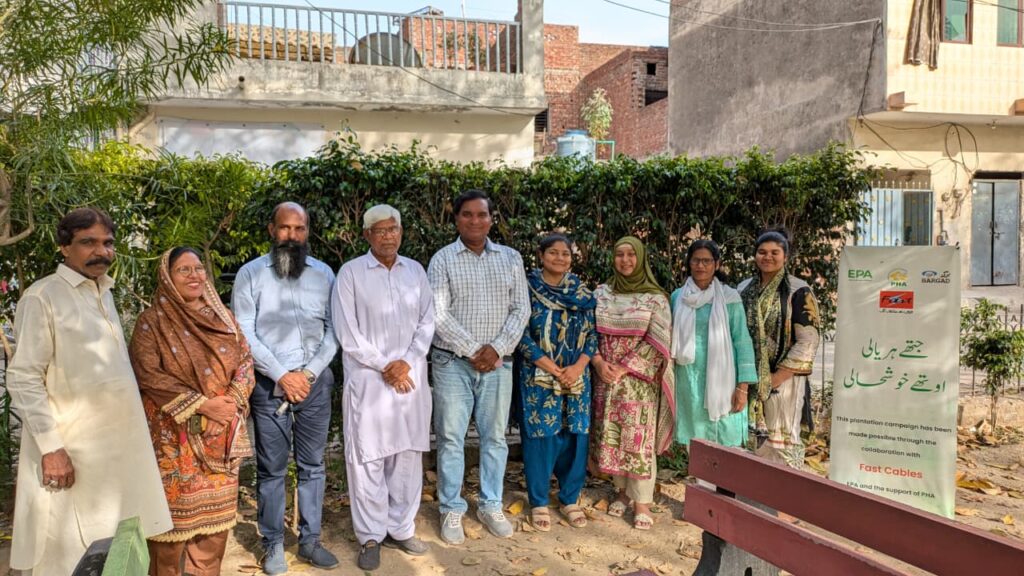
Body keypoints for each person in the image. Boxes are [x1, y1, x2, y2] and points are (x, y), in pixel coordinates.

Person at [6, 208, 172, 575]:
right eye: (88, 243)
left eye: (108, 243)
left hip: (117, 455)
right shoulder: (42, 297)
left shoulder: (104, 291)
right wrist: (52, 449)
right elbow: (23, 377)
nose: (102, 251)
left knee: (116, 549)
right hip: (72, 454)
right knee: (67, 553)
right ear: (64, 247)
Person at [130, 247, 255, 576]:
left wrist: (227, 407)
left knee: (213, 540)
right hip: (174, 443)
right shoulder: (151, 323)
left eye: (198, 268)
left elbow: (245, 365)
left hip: (221, 438)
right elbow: (149, 375)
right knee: (168, 541)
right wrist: (203, 407)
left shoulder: (224, 318)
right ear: (167, 278)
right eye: (183, 270)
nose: (194, 275)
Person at [231, 202, 340, 574]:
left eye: (299, 229)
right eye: (285, 228)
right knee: (271, 469)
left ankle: (310, 541)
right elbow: (244, 334)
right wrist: (282, 375)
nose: (292, 236)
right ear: (270, 230)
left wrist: (306, 375)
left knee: (312, 465)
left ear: (307, 232)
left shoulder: (324, 274)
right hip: (268, 384)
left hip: (314, 382)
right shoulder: (250, 275)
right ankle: (273, 543)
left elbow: (334, 333)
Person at [332, 205, 434, 571]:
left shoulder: (416, 271)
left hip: (410, 379)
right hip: (369, 381)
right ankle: (371, 535)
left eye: (394, 229)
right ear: (366, 236)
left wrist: (407, 360)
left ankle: (401, 527)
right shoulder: (351, 274)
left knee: (407, 455)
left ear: (401, 232)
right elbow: (348, 333)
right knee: (368, 458)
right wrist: (384, 365)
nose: (388, 235)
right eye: (380, 230)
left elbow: (427, 322)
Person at [428, 189, 530, 544]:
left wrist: (497, 349)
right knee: (452, 439)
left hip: (499, 364)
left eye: (481, 214)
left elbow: (521, 309)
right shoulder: (442, 260)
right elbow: (438, 314)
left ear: (491, 219)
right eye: (467, 215)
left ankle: (490, 503)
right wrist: (475, 350)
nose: (475, 221)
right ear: (456, 219)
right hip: (452, 363)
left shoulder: (510, 258)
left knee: (495, 438)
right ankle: (451, 508)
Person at [590, 236, 675, 531]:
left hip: (637, 381)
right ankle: (623, 493)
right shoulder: (601, 293)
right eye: (619, 254)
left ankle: (642, 502)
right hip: (605, 377)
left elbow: (658, 343)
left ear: (640, 258)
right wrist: (600, 363)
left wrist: (624, 369)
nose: (625, 260)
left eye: (631, 255)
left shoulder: (655, 298)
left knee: (638, 441)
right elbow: (588, 333)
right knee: (611, 436)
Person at [513, 233, 597, 532]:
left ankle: (569, 496)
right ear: (541, 255)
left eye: (566, 254)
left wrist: (577, 367)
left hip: (577, 376)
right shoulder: (527, 290)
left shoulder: (583, 293)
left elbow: (592, 335)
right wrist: (551, 367)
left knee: (575, 434)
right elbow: (520, 335)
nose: (560, 258)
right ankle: (538, 500)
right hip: (538, 375)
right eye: (553, 253)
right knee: (542, 435)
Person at [738, 229, 821, 468]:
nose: (768, 257)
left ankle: (785, 502)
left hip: (783, 382)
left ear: (786, 256)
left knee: (783, 440)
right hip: (747, 381)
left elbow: (809, 339)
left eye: (775, 252)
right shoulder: (743, 288)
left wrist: (777, 377)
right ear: (754, 256)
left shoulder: (798, 290)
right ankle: (756, 497)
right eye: (762, 252)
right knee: (753, 442)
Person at [671, 240, 757, 449]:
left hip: (723, 378)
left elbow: (742, 340)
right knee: (696, 440)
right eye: (696, 260)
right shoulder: (677, 297)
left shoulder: (729, 298)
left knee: (725, 438)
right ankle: (702, 482)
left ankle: (726, 482)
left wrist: (743, 387)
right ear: (689, 263)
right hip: (688, 378)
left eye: (707, 261)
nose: (701, 266)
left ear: (716, 265)